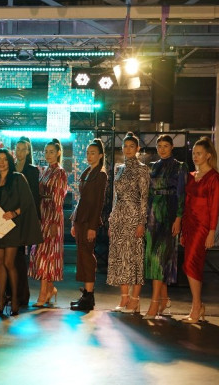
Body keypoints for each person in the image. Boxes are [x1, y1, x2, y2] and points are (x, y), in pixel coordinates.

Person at [0, 148, 42, 316]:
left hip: (13, 226)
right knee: (0, 263)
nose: (2, 162)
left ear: (9, 161)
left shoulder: (18, 178)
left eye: (5, 159)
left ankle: (16, 300)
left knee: (9, 263)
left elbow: (28, 202)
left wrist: (14, 213)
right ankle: (1, 300)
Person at [142, 135, 189, 319]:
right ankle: (164, 299)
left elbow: (181, 194)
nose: (162, 149)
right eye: (159, 146)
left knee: (161, 258)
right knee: (154, 258)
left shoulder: (180, 166)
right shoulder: (153, 166)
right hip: (153, 214)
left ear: (172, 147)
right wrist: (145, 216)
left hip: (169, 214)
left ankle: (154, 304)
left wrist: (178, 218)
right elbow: (148, 193)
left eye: (166, 146)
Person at [181, 136, 219, 323]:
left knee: (190, 263)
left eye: (199, 153)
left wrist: (211, 232)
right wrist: (183, 229)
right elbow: (187, 203)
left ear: (208, 155)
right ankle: (197, 306)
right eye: (194, 153)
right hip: (189, 225)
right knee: (190, 264)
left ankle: (197, 306)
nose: (195, 156)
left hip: (203, 227)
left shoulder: (215, 179)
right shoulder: (191, 176)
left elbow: (215, 208)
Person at [107, 132, 150, 314]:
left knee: (134, 258)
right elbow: (115, 197)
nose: (128, 149)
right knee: (120, 258)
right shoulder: (119, 168)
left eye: (132, 146)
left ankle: (135, 299)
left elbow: (144, 198)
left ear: (138, 148)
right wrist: (111, 220)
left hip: (134, 216)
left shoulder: (142, 169)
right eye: (125, 146)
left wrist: (141, 222)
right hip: (119, 216)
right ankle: (124, 297)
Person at [70, 138, 108, 311]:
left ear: (100, 155)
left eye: (93, 153)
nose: (89, 156)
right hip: (80, 219)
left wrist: (93, 226)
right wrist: (74, 221)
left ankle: (89, 295)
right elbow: (82, 200)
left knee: (87, 256)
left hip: (89, 221)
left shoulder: (101, 174)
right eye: (88, 153)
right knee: (82, 256)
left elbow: (98, 203)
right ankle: (86, 293)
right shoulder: (87, 172)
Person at [29, 139, 67, 307]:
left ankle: (43, 293)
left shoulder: (60, 172)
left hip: (53, 216)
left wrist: (53, 221)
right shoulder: (45, 170)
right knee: (40, 253)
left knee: (48, 255)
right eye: (46, 151)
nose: (48, 155)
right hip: (42, 214)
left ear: (58, 153)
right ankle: (50, 289)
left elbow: (58, 199)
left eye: (52, 151)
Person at [12, 137, 40, 306]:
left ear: (28, 151)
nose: (20, 152)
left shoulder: (32, 170)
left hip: (23, 217)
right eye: (18, 148)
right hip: (9, 218)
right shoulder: (10, 167)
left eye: (23, 149)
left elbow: (34, 197)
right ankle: (11, 293)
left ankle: (22, 295)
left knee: (20, 258)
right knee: (10, 258)